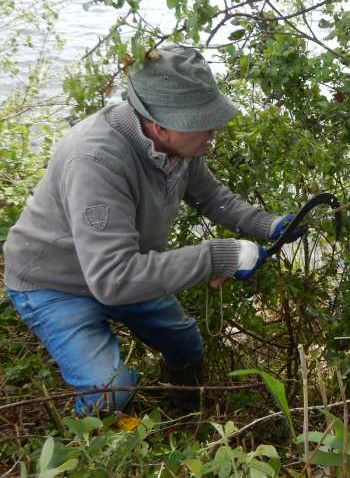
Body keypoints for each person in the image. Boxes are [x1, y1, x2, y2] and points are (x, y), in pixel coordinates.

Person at [2, 46, 304, 415]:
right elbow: (113, 279)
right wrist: (216, 257)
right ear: (161, 124)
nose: (215, 131)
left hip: (122, 269)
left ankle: (185, 418)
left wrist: (270, 225)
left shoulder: (181, 148)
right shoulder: (96, 160)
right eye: (205, 123)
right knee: (110, 391)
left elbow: (210, 196)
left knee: (186, 343)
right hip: (55, 284)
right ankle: (98, 455)